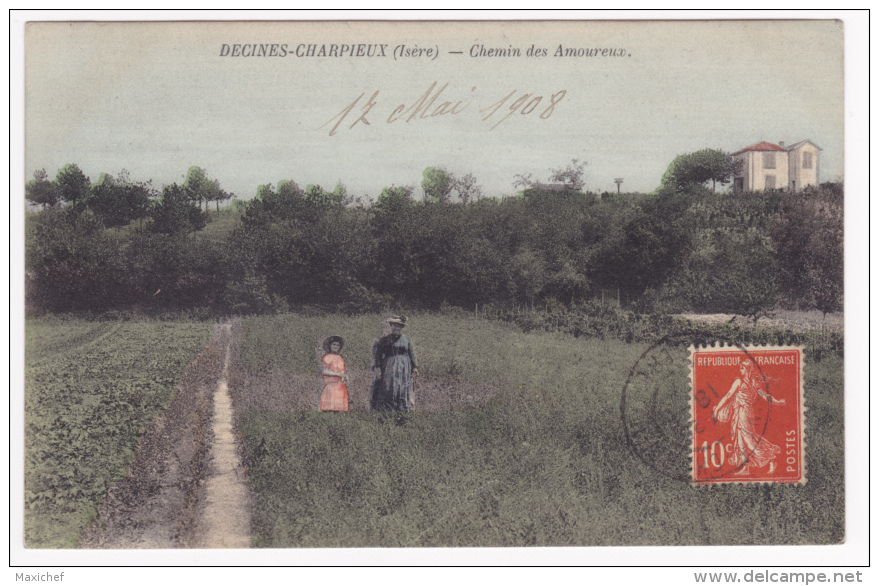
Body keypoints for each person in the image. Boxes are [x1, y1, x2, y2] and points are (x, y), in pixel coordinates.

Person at [712, 359, 786, 475]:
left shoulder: (741, 381)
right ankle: (745, 467)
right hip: (741, 412)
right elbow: (766, 396)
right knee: (740, 440)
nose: (740, 369)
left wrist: (717, 409)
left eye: (742, 367)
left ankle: (771, 458)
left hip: (743, 412)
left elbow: (728, 396)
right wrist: (777, 401)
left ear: (747, 369)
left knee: (749, 440)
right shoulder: (754, 381)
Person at [369, 315, 418, 412]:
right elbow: (378, 354)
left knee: (403, 386)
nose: (396, 328)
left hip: (404, 366)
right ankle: (388, 409)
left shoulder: (406, 339)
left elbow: (411, 352)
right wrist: (378, 367)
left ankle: (402, 409)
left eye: (399, 326)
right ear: (391, 326)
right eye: (394, 325)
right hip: (389, 365)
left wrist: (415, 366)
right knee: (389, 386)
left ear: (402, 327)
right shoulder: (384, 339)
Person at [319, 335, 350, 412]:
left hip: (340, 387)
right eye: (334, 344)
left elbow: (341, 371)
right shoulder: (327, 357)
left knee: (340, 411)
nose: (336, 347)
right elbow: (324, 371)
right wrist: (338, 374)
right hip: (331, 387)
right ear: (330, 345)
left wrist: (344, 377)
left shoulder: (340, 358)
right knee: (330, 410)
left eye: (338, 345)